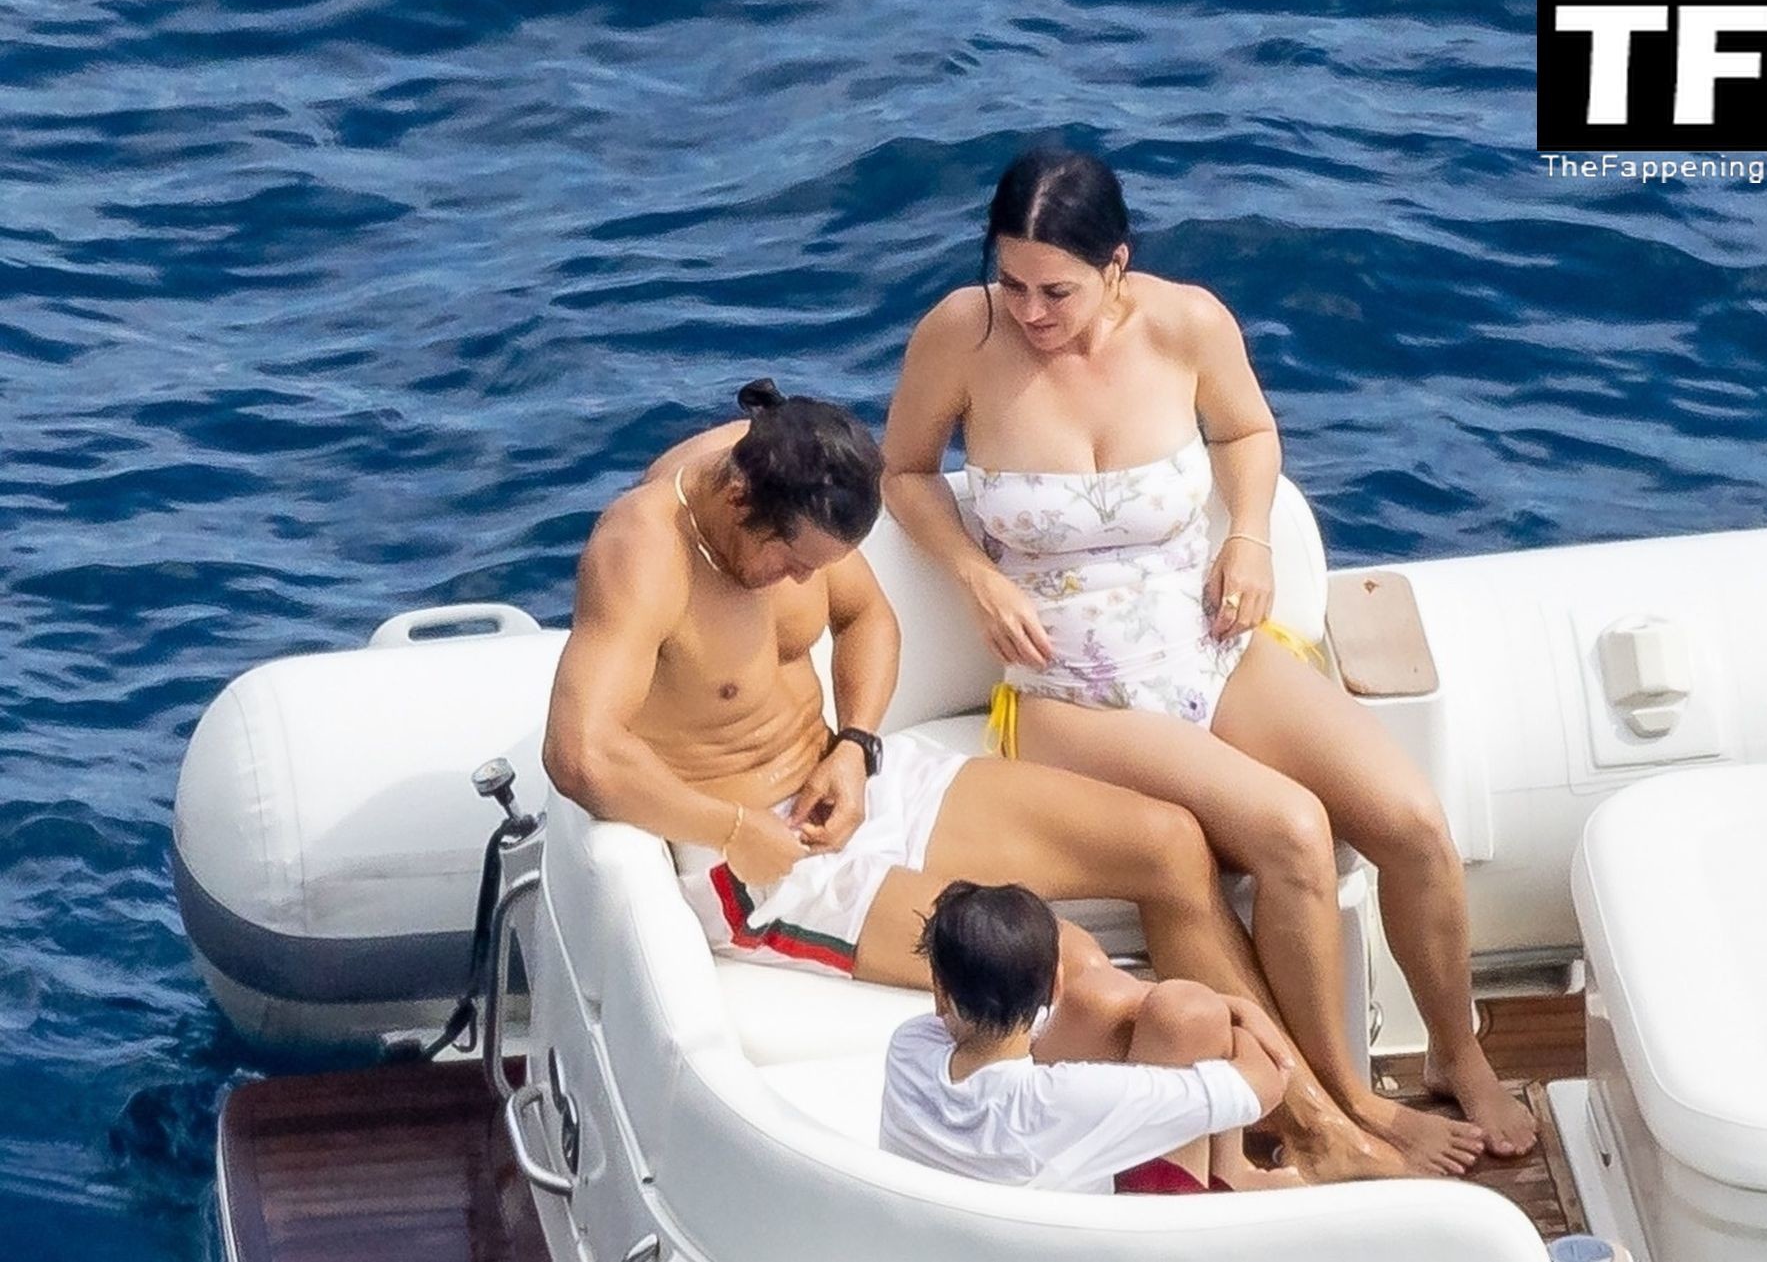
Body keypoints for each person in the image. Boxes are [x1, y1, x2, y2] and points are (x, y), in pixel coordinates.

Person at [540, 376, 1406, 1183]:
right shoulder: (643, 552)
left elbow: (867, 616)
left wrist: (857, 745)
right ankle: (1305, 1137)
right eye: (792, 563)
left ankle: (1297, 1123)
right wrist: (736, 833)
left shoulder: (794, 479)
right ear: (737, 499)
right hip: (757, 855)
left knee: (1170, 843)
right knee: (1063, 968)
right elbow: (578, 753)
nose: (801, 583)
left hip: (847, 779)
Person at [881, 147, 1537, 1170]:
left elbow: (1247, 432)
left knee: (1412, 821)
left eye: (1056, 290)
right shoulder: (960, 336)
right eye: (1011, 283)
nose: (1030, 311)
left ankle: (1461, 1054)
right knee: (1292, 831)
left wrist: (1251, 537)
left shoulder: (1187, 322)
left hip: (1210, 643)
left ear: (1117, 266)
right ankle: (1345, 1106)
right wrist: (976, 576)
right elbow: (906, 472)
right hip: (1070, 688)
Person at [881, 881, 1303, 1194]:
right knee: (1188, 1013)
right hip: (1108, 1238)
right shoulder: (1065, 1099)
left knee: (1129, 1001)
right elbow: (1264, 1085)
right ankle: (1222, 1179)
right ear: (1056, 986)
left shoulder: (909, 1050)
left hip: (959, 1233)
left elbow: (1005, 1028)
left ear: (941, 992)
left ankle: (1229, 1171)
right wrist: (1240, 1013)